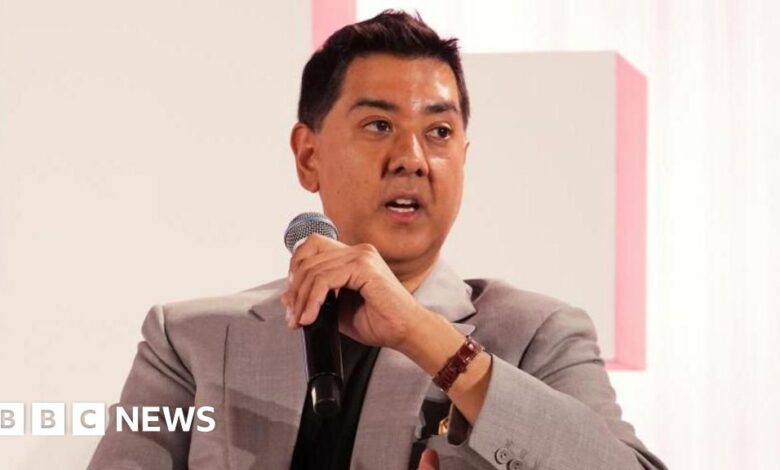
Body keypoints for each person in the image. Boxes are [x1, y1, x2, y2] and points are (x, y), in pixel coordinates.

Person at [89, 11, 666, 470]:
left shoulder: (540, 336)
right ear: (308, 155)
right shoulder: (188, 340)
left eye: (439, 131)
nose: (412, 159)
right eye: (379, 125)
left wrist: (422, 334)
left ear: (463, 158)